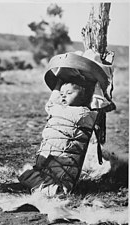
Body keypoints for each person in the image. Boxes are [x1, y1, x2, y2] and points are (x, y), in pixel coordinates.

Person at [18, 51, 114, 197]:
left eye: (69, 93)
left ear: (83, 95)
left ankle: (50, 189)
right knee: (26, 174)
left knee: (36, 180)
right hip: (46, 165)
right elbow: (54, 99)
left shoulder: (84, 114)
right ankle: (43, 184)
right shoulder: (56, 109)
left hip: (62, 177)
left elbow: (97, 98)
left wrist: (95, 80)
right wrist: (59, 83)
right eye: (62, 94)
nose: (63, 96)